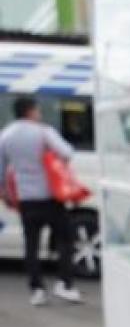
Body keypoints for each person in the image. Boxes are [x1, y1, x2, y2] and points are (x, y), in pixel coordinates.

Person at [0, 95, 81, 305]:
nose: (39, 113)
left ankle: (37, 291)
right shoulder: (44, 132)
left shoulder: (6, 136)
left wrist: (5, 194)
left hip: (26, 200)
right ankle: (64, 284)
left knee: (31, 245)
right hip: (51, 197)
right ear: (30, 111)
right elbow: (67, 152)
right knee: (65, 239)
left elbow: (0, 172)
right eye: (37, 110)